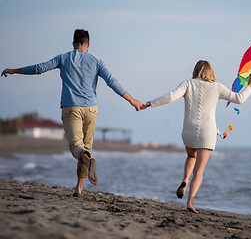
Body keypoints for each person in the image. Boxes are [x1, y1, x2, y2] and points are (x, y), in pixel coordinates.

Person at [1, 29, 145, 197]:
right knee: (87, 148)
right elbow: (112, 82)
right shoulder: (97, 62)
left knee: (77, 147)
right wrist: (132, 100)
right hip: (92, 109)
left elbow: (39, 68)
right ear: (88, 45)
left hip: (71, 108)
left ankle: (87, 165)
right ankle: (78, 189)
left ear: (73, 44)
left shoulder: (64, 58)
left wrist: (14, 70)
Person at [142, 60, 251, 213]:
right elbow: (239, 99)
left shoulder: (188, 84)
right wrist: (249, 85)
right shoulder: (217, 87)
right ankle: (190, 202)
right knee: (199, 171)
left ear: (195, 71)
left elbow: (170, 97)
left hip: (188, 131)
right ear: (211, 72)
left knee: (191, 156)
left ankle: (185, 179)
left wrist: (149, 103)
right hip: (207, 133)